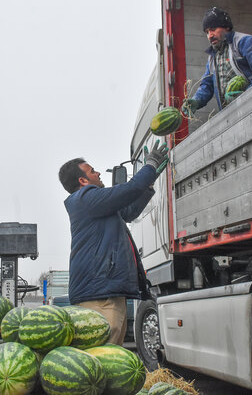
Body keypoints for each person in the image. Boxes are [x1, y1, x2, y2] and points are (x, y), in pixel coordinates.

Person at [58, 141, 169, 345]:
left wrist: (149, 183)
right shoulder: (85, 198)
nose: (98, 173)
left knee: (110, 356)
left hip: (103, 291)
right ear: (83, 180)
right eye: (92, 171)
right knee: (105, 358)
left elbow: (128, 211)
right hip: (100, 295)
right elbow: (130, 189)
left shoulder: (95, 205)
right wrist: (149, 166)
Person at [183, 7, 252, 115]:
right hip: (231, 116)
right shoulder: (212, 57)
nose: (210, 36)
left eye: (213, 29)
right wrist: (196, 101)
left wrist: (247, 94)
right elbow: (207, 85)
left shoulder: (244, 42)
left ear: (226, 27)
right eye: (207, 32)